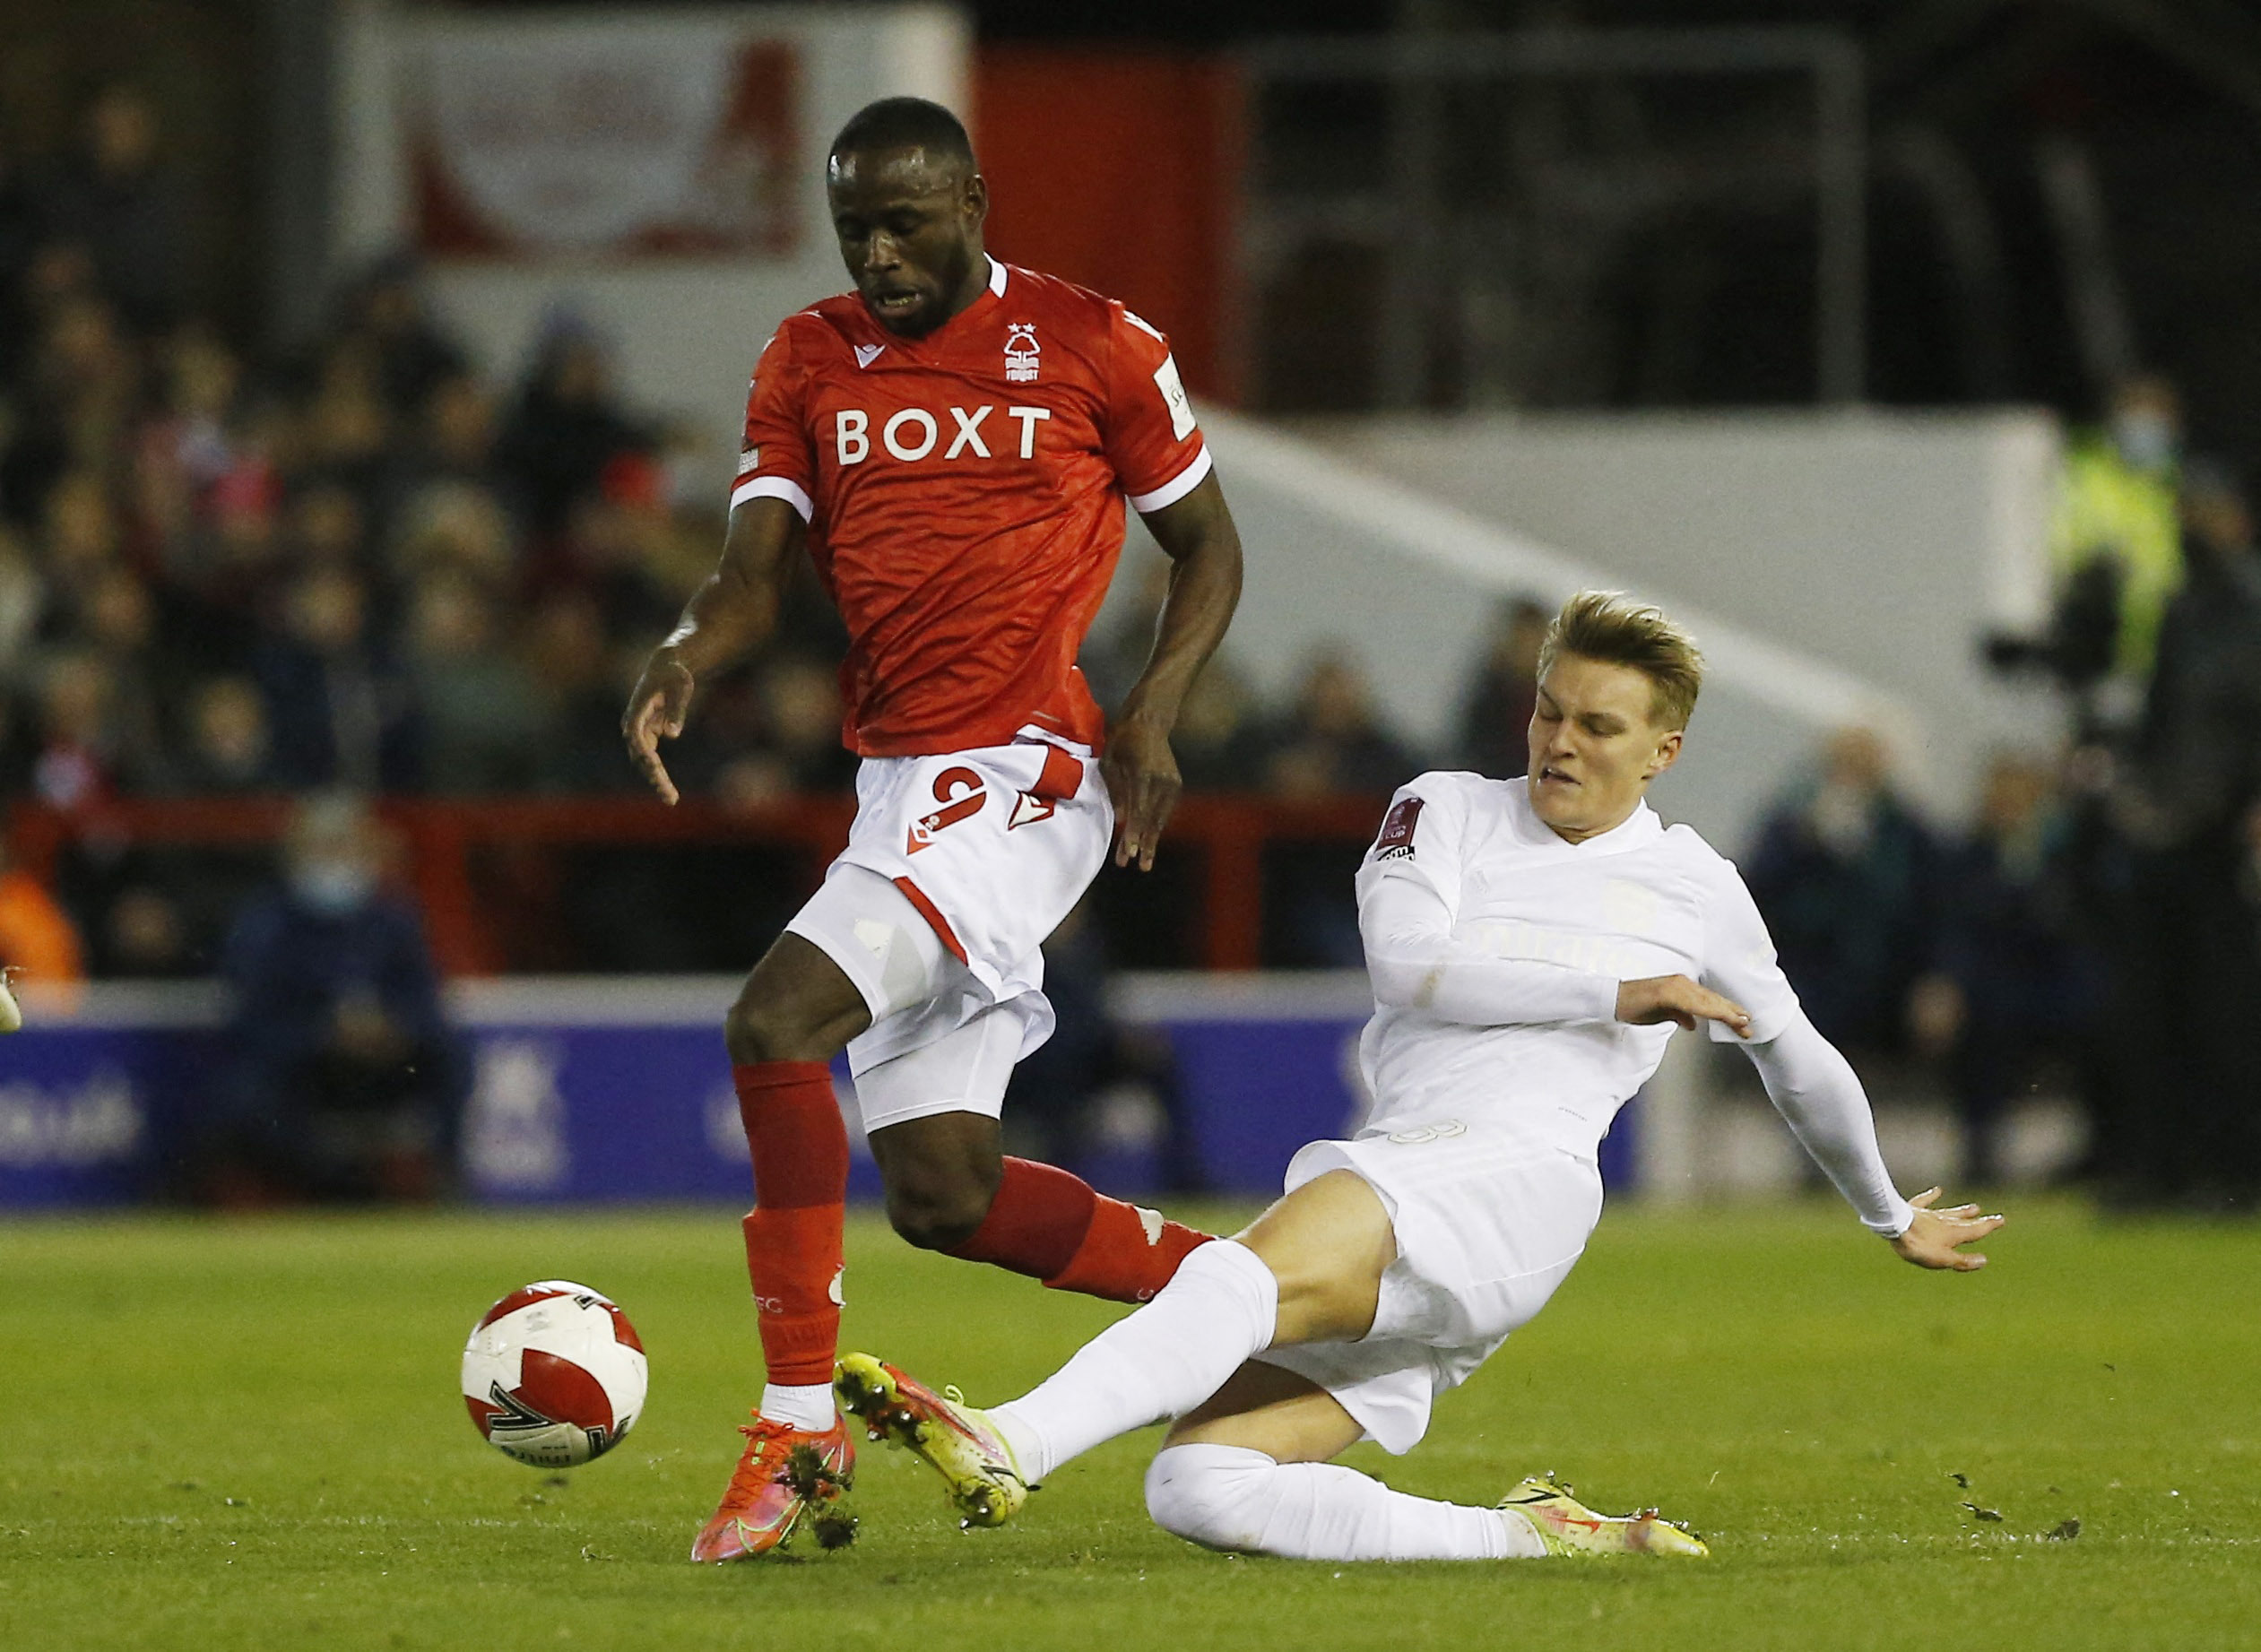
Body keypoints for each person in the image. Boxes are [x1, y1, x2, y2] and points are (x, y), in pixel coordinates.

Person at [834, 592, 2002, 1564]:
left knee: (1246, 1272)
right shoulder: (1439, 808)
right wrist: (1613, 992)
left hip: (1519, 1182)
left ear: (1663, 750)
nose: (1558, 742)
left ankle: (1011, 1440)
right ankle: (1540, 1539)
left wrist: (1886, 1209)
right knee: (1200, 1487)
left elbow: (1793, 1055)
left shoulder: (1699, 888)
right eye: (1548, 709)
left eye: (1598, 726)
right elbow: (1408, 969)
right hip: (1415, 1166)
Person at [619, 97, 1244, 1561]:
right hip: (900, 785)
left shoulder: (1099, 344)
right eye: (856, 231)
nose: (880, 256)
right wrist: (683, 653)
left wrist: (1152, 710)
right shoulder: (807, 356)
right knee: (943, 1196)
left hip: (1024, 769)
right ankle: (1244, 1298)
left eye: (905, 222)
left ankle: (793, 1424)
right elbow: (748, 576)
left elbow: (1205, 539)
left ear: (970, 198)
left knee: (774, 1023)